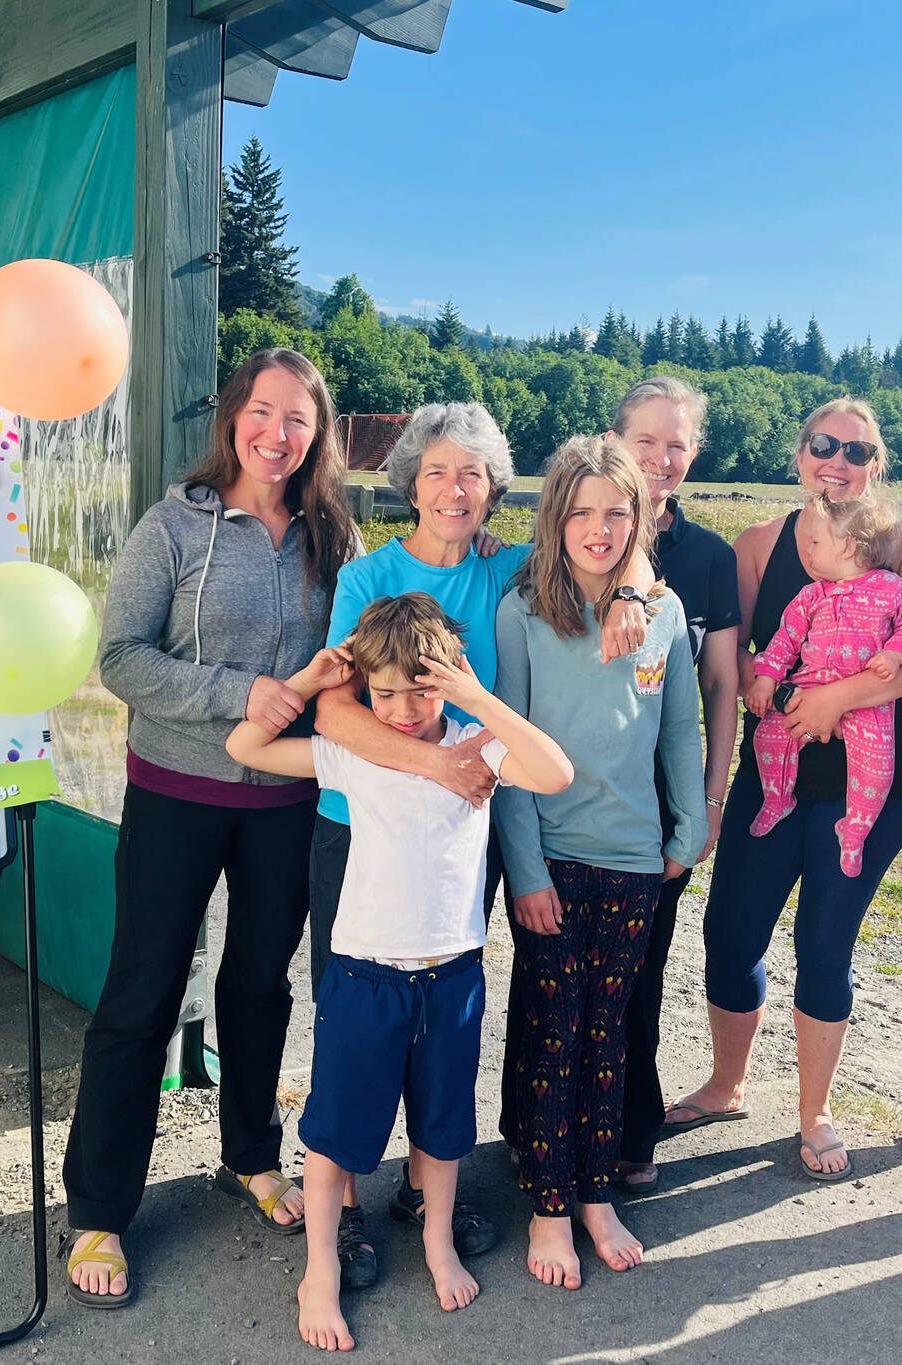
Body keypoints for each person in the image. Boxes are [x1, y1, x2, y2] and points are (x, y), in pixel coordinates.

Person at [307, 402, 645, 1288]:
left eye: (472, 473)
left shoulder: (507, 573)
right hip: (363, 831)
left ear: (494, 487)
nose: (454, 489)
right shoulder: (368, 575)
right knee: (355, 1019)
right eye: (436, 472)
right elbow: (336, 708)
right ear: (409, 482)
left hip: (462, 838)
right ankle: (342, 1207)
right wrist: (434, 770)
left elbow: (606, 541)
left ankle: (428, 1186)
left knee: (441, 1006)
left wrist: (640, 590)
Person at [61, 348, 361, 1309]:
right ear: (234, 417)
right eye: (263, 413)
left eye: (299, 419)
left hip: (283, 803)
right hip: (177, 793)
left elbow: (347, 660)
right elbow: (119, 657)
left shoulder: (331, 534)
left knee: (259, 987)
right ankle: (100, 1207)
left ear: (319, 434)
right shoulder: (175, 522)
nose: (278, 434)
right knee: (142, 989)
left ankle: (250, 1155)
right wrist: (242, 694)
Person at [225, 594, 574, 1349]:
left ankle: (436, 1240)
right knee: (336, 1132)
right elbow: (245, 748)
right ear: (364, 690)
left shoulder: (480, 743)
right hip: (365, 974)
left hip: (451, 976)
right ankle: (319, 1268)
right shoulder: (359, 750)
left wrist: (479, 698)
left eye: (423, 688)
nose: (405, 707)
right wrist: (315, 675)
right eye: (384, 692)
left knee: (444, 1126)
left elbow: (554, 773)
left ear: (450, 678)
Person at [666, 397, 902, 1182]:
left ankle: (814, 1111)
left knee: (824, 944)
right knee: (729, 933)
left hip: (871, 780)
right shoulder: (760, 544)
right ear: (799, 455)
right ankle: (726, 1086)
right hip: (776, 770)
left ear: (876, 467)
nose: (840, 460)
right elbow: (736, 661)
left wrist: (847, 695)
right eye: (825, 445)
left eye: (858, 451)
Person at [493, 433, 706, 1289]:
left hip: (633, 860)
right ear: (556, 515)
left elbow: (681, 729)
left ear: (641, 517)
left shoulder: (661, 613)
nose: (599, 526)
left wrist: (687, 832)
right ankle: (547, 1202)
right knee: (551, 1030)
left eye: (617, 512)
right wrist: (526, 868)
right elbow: (505, 744)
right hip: (553, 855)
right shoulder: (523, 611)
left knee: (607, 1031)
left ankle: (592, 1189)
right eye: (582, 511)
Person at [609, 375, 742, 1196]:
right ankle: (536, 1125)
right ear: (617, 440)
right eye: (646, 440)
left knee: (643, 968)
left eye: (677, 444)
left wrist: (712, 798)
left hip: (664, 805)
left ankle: (630, 1129)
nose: (661, 458)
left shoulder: (709, 558)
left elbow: (724, 684)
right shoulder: (575, 533)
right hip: (572, 799)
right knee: (558, 966)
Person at [746, 491, 902, 864]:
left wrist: (895, 653)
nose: (808, 551)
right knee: (768, 736)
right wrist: (766, 678)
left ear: (847, 546)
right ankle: (777, 799)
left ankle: (855, 828)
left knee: (876, 766)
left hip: (868, 698)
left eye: (816, 542)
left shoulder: (890, 587)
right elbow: (785, 640)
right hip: (807, 687)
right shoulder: (811, 595)